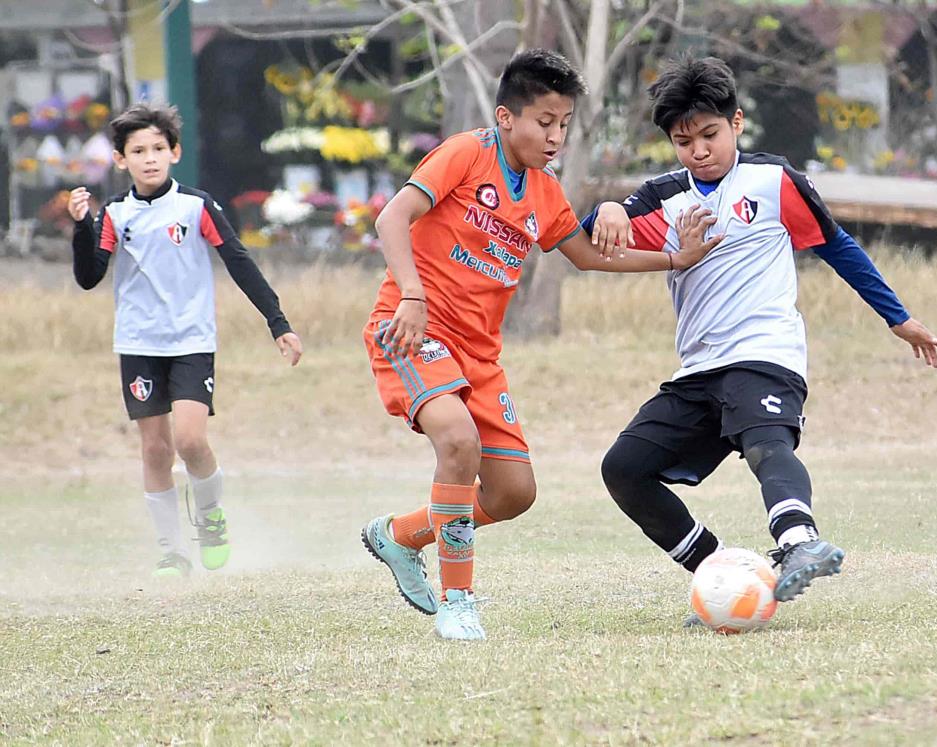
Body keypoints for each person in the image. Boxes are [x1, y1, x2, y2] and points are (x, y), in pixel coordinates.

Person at [360, 49, 718, 641]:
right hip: (413, 330)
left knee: (513, 493)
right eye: (544, 122)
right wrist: (413, 297)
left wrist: (675, 258)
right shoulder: (465, 154)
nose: (555, 136)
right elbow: (391, 219)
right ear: (507, 118)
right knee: (457, 441)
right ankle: (459, 601)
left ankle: (398, 536)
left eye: (564, 125)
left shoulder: (545, 192)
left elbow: (586, 255)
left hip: (479, 356)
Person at [593, 55, 937, 618]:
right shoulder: (662, 196)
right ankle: (722, 572)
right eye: (684, 142)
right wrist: (610, 208)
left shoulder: (774, 180)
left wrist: (897, 317)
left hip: (765, 354)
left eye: (710, 134)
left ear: (736, 123)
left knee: (766, 444)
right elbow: (597, 231)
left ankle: (798, 543)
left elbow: (838, 247)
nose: (700, 150)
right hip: (697, 370)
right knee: (623, 469)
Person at [68, 102, 303, 577]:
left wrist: (277, 322)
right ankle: (170, 552)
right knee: (156, 449)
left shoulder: (196, 207)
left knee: (191, 442)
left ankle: (211, 517)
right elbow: (90, 275)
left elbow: (239, 262)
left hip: (191, 341)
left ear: (174, 152)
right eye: (138, 151)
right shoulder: (114, 213)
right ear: (121, 160)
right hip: (138, 344)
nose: (149, 158)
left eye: (158, 148)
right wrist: (81, 227)